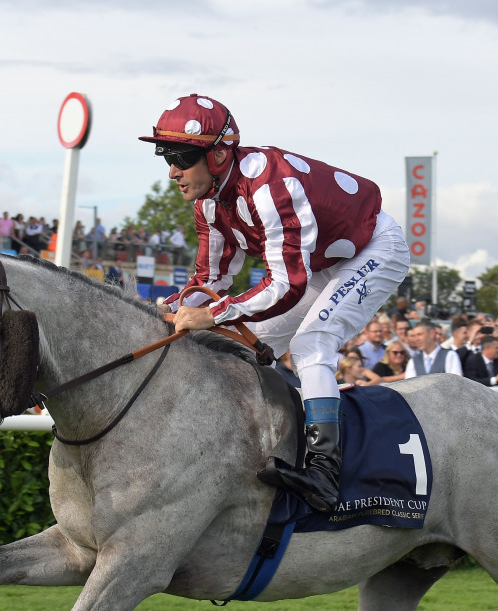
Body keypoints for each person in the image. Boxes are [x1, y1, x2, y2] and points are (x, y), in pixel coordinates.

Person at [141, 94, 409, 511]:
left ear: (218, 155)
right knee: (234, 344)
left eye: (181, 156)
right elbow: (209, 279)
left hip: (372, 248)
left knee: (310, 345)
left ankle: (324, 473)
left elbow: (286, 285)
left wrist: (211, 313)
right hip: (319, 261)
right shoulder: (208, 202)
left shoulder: (269, 188)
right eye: (166, 156)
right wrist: (163, 309)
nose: (172, 170)